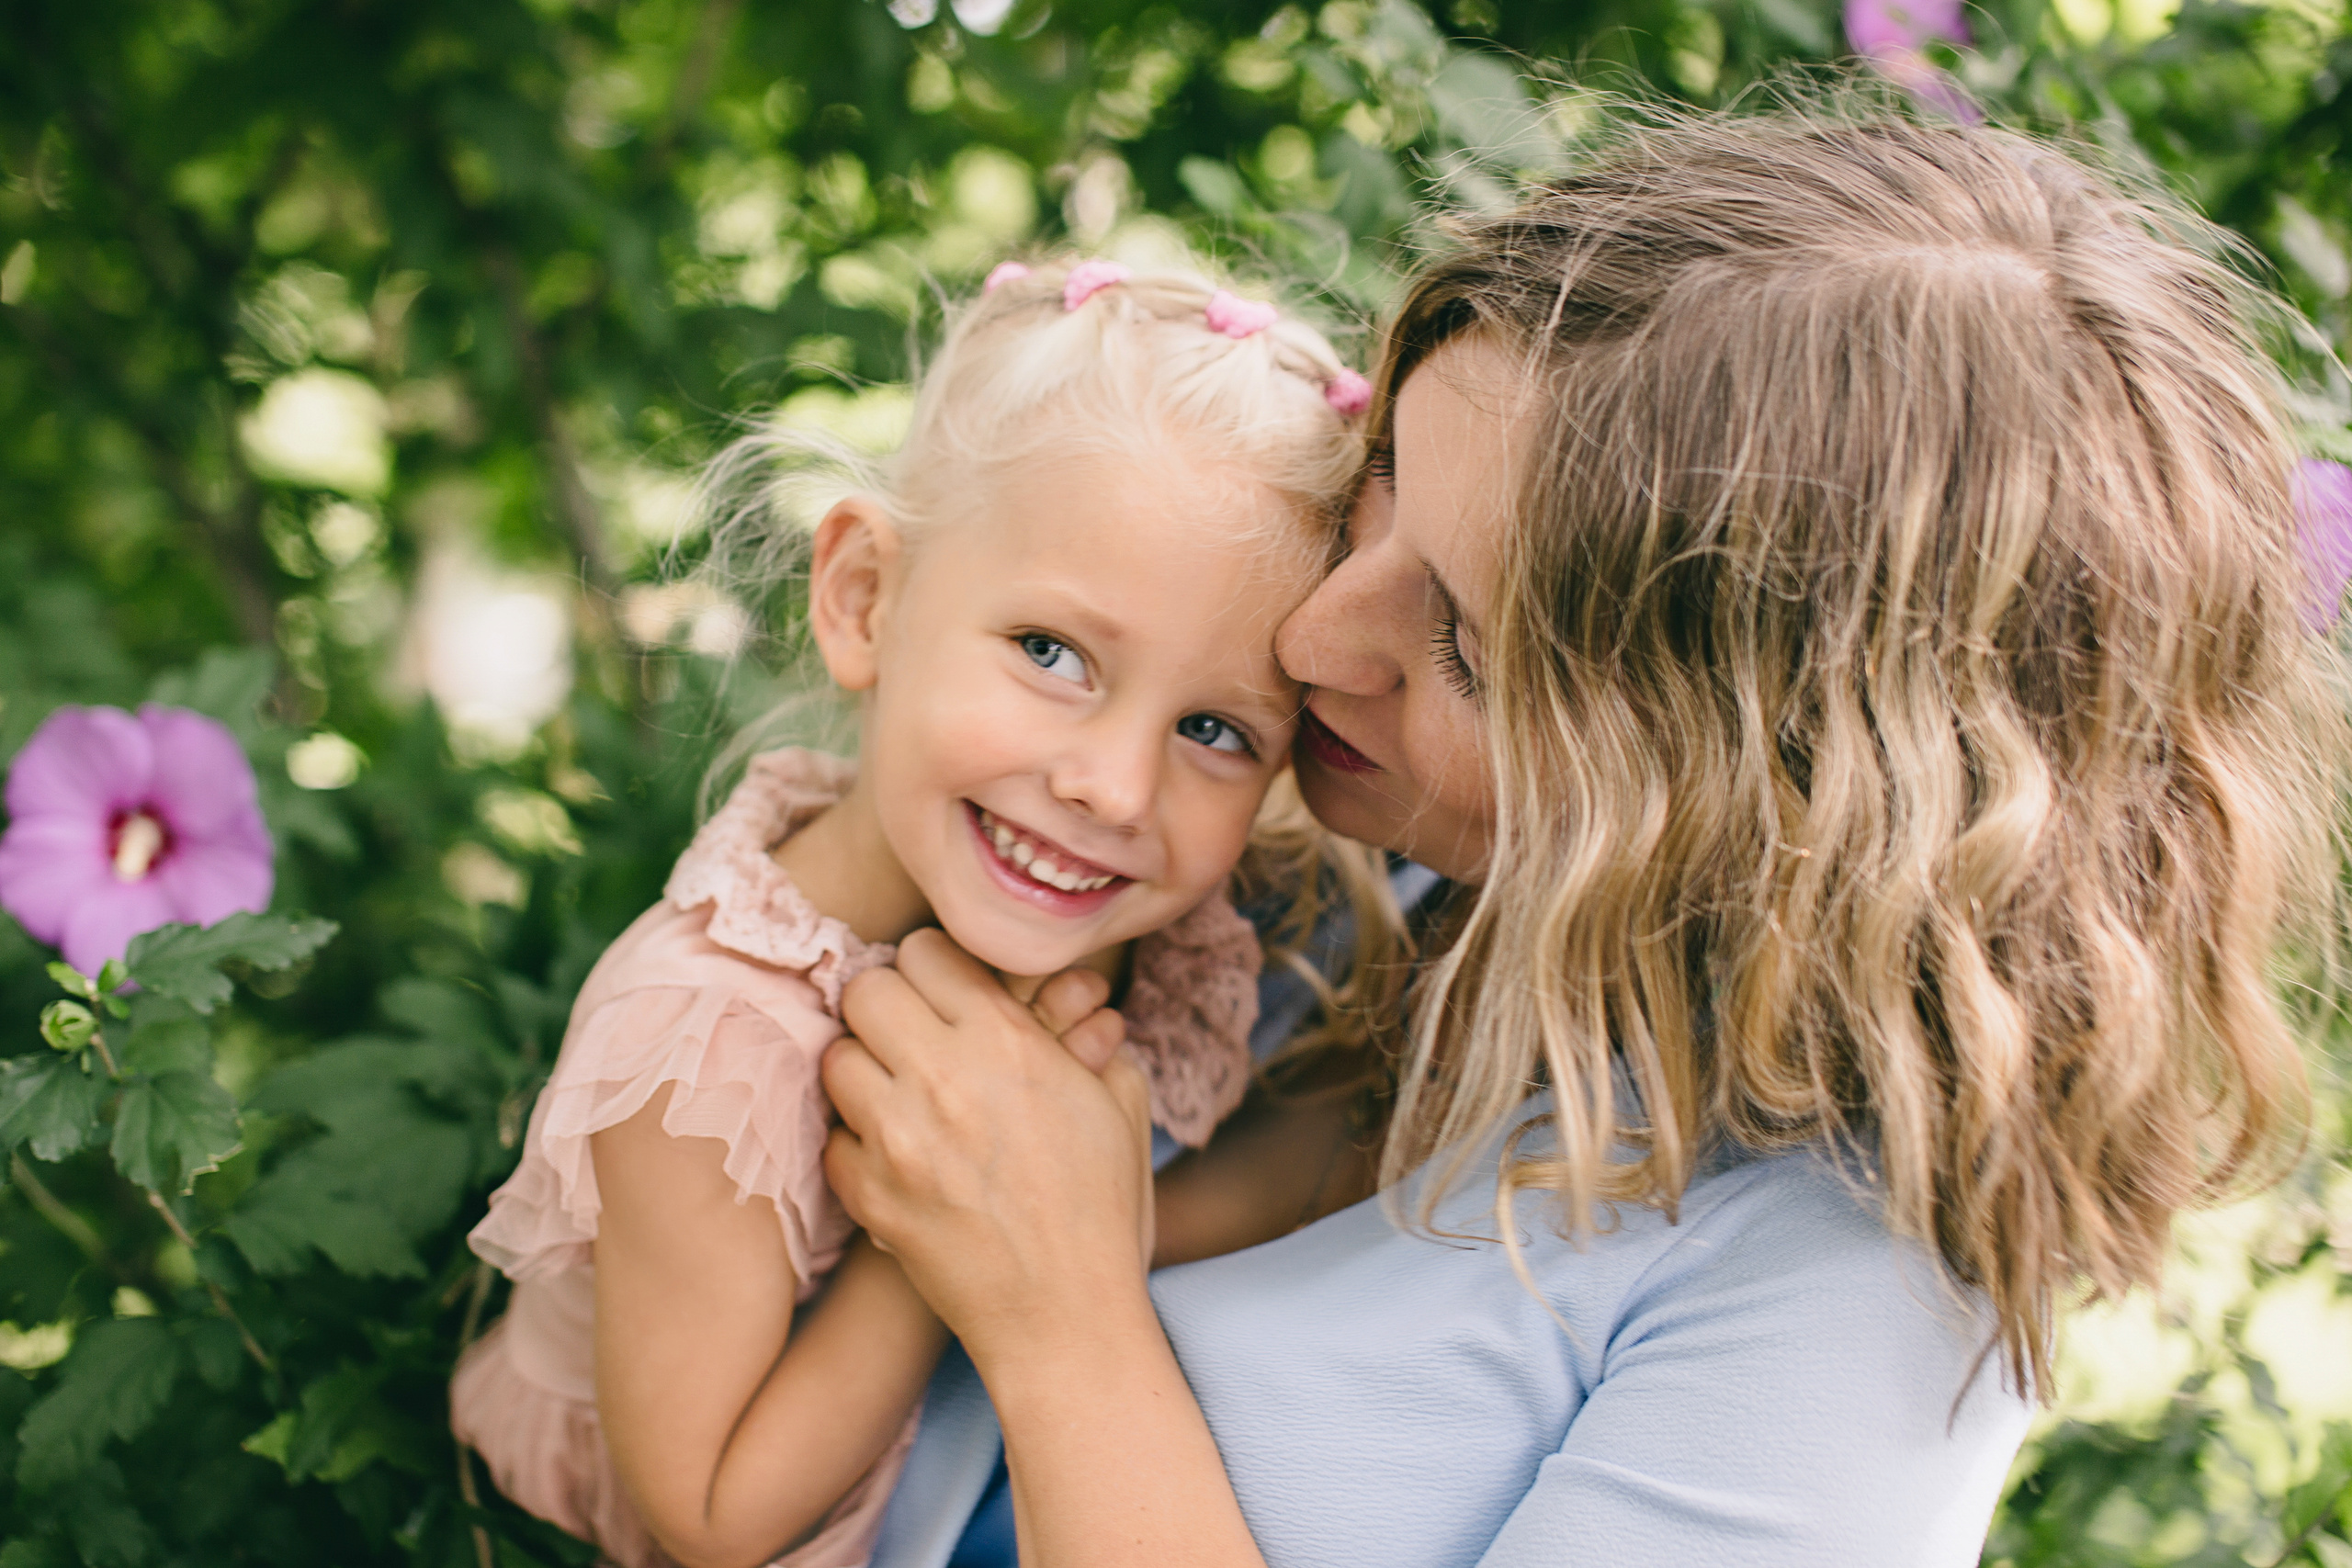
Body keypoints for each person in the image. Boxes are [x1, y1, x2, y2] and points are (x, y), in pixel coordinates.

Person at [824, 107, 2346, 1566]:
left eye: (1473, 649)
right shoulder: (1359, 870)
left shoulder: (1845, 1300)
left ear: (1769, 792)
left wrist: (1060, 1322)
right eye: (1385, 491)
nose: (1311, 636)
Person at [449, 258, 1389, 1568]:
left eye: (1216, 729)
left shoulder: (1124, 922)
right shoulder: (705, 1051)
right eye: (1052, 655)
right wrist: (953, 1230)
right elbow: (709, 1514)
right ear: (864, 601)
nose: (1113, 787)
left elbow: (1153, 1207)